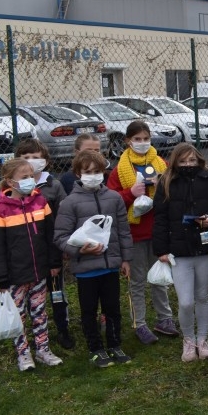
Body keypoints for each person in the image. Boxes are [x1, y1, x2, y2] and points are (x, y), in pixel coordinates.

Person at [53, 151, 134, 368]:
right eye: (88, 172)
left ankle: (115, 344)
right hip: (86, 269)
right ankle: (96, 348)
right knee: (89, 310)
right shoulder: (70, 203)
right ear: (78, 174)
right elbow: (60, 237)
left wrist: (126, 259)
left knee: (113, 308)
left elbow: (123, 231)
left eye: (97, 171)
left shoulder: (114, 198)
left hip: (110, 267)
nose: (93, 176)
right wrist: (81, 251)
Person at [0, 158, 64, 371]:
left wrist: (54, 262)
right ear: (11, 182)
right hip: (14, 277)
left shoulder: (41, 203)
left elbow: (50, 237)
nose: (30, 180)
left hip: (39, 271)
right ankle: (23, 354)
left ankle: (43, 349)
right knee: (19, 315)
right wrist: (1, 277)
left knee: (39, 312)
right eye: (24, 177)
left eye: (31, 176)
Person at [106, 121, 178, 344]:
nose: (142, 143)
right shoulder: (120, 170)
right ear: (128, 141)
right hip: (134, 233)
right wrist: (130, 193)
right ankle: (140, 323)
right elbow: (111, 200)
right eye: (137, 139)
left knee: (159, 277)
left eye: (145, 138)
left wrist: (162, 186)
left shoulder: (161, 163)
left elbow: (174, 193)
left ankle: (164, 318)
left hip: (157, 232)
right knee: (137, 281)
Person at [152, 143, 208, 362]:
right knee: (185, 301)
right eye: (183, 161)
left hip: (204, 247)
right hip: (178, 250)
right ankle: (188, 339)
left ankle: (202, 340)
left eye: (192, 160)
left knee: (202, 296)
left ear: (199, 160)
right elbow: (160, 218)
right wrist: (161, 249)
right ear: (175, 162)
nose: (188, 165)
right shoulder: (166, 182)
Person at [15, 138, 72, 350]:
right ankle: (35, 332)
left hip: (51, 251)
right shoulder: (13, 188)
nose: (31, 161)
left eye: (36, 158)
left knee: (57, 292)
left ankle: (63, 328)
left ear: (45, 161)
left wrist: (62, 246)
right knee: (31, 297)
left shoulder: (54, 186)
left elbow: (63, 217)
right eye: (26, 157)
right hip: (26, 254)